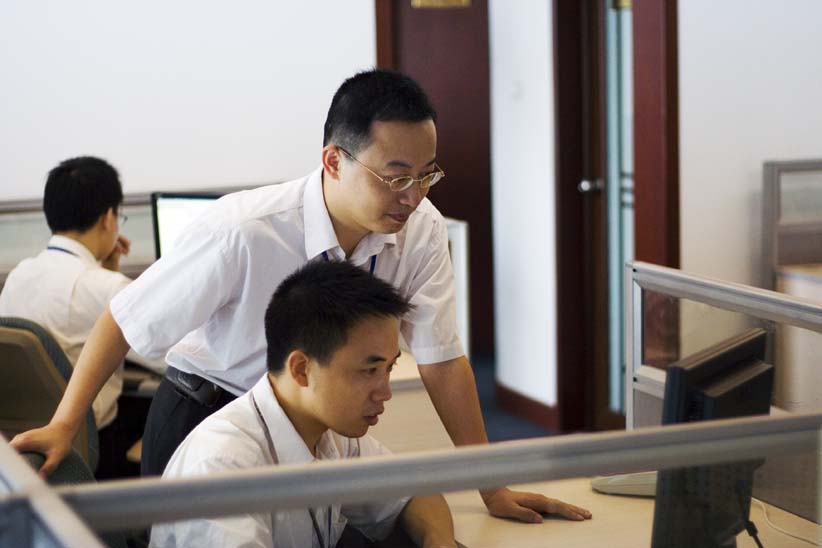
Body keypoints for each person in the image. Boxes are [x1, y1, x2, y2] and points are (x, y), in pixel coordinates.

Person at [11, 69, 591, 523]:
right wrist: (66, 424)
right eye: (395, 177)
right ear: (334, 161)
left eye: (426, 174)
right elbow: (124, 319)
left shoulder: (421, 229)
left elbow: (441, 358)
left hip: (312, 422)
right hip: (207, 413)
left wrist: (491, 484)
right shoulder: (245, 229)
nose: (413, 196)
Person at [150, 260, 456, 548]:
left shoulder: (328, 433)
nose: (385, 392)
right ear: (301, 369)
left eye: (389, 368)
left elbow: (412, 494)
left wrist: (439, 542)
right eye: (369, 370)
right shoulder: (223, 466)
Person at [0, 156, 162, 479]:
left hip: (23, 448)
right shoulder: (107, 287)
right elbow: (167, 358)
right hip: (92, 444)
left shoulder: (19, 275)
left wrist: (108, 271)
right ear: (108, 218)